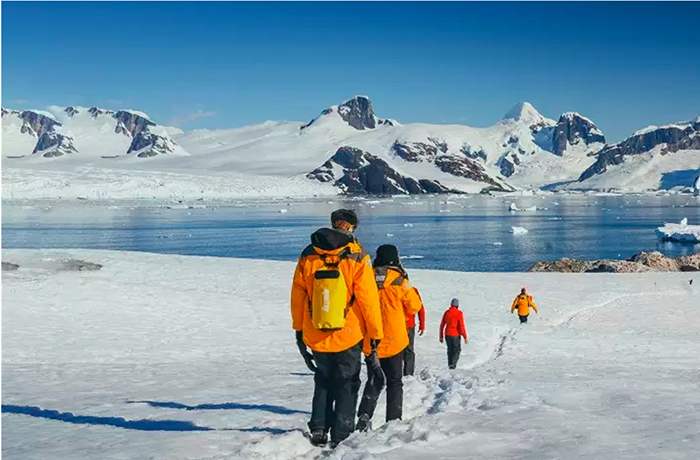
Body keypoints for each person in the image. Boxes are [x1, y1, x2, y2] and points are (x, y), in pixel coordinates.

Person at [291, 209, 383, 448]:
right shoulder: (357, 256)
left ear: (333, 224)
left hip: (315, 329)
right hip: (348, 333)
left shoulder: (309, 254)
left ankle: (319, 428)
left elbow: (298, 296)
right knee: (347, 381)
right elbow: (368, 300)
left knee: (323, 379)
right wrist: (374, 333)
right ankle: (342, 433)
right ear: (351, 227)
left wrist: (299, 329)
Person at [356, 244, 423, 432]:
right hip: (395, 339)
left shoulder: (366, 277)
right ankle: (393, 422)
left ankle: (364, 415)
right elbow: (414, 306)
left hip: (371, 340)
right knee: (394, 382)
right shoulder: (400, 280)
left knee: (373, 380)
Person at [439, 298, 468, 369]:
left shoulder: (447, 312)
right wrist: (465, 336)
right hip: (455, 335)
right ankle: (453, 365)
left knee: (450, 350)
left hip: (447, 334)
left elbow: (442, 325)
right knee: (457, 350)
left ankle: (450, 364)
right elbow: (461, 326)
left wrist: (441, 336)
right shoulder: (459, 313)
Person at [403, 287, 425, 376]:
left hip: (396, 324)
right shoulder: (412, 290)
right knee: (409, 350)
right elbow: (420, 308)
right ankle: (408, 374)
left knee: (396, 350)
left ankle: (396, 373)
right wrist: (422, 324)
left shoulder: (391, 287)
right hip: (409, 325)